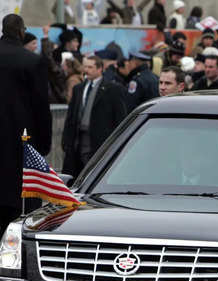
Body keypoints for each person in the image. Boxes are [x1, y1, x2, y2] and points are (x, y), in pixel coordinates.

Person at [0, 14, 52, 232]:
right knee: (20, 215)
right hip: (20, 147)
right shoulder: (31, 61)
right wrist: (44, 145)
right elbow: (41, 107)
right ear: (22, 31)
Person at [62, 55, 127, 175]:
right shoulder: (79, 88)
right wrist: (66, 140)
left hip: (99, 141)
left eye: (90, 67)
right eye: (85, 66)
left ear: (99, 69)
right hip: (78, 139)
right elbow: (71, 116)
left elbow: (120, 118)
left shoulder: (113, 89)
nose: (86, 70)